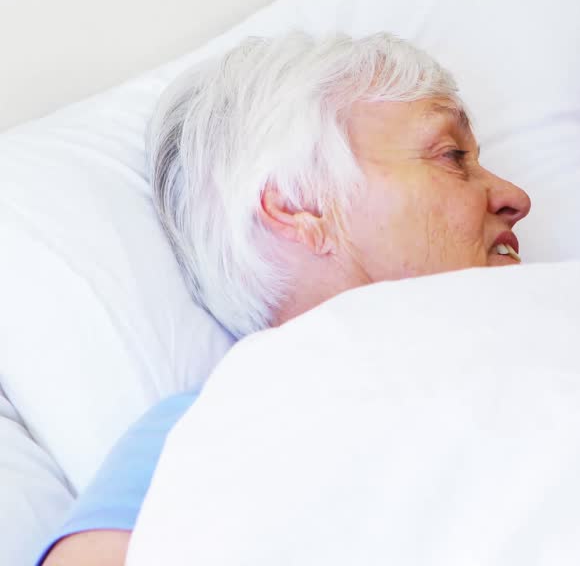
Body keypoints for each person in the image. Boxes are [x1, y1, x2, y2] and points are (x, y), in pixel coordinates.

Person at [39, 32, 531, 565]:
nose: (515, 198)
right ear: (301, 204)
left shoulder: (566, 324)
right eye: (452, 156)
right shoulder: (219, 426)